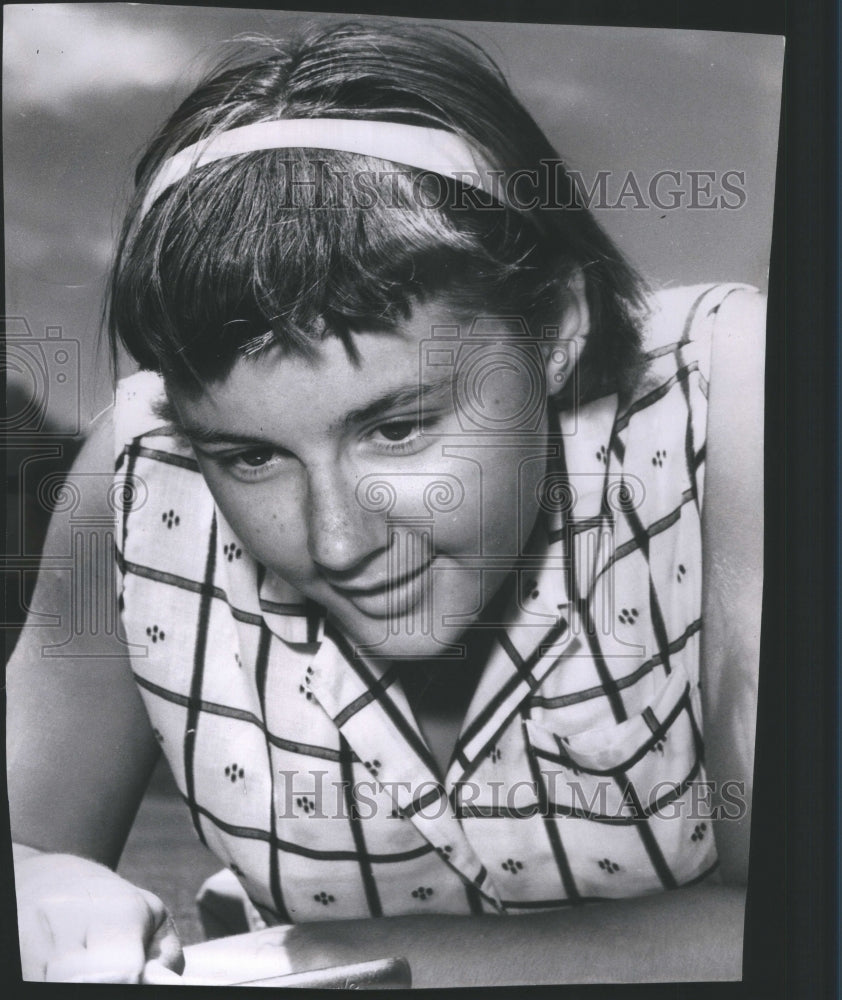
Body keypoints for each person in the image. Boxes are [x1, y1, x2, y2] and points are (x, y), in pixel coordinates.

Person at [7, 21, 764, 986]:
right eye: (249, 456)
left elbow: (795, 921)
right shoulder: (142, 470)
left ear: (556, 327)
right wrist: (34, 892)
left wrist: (319, 958)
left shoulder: (736, 399)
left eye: (397, 428)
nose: (335, 539)